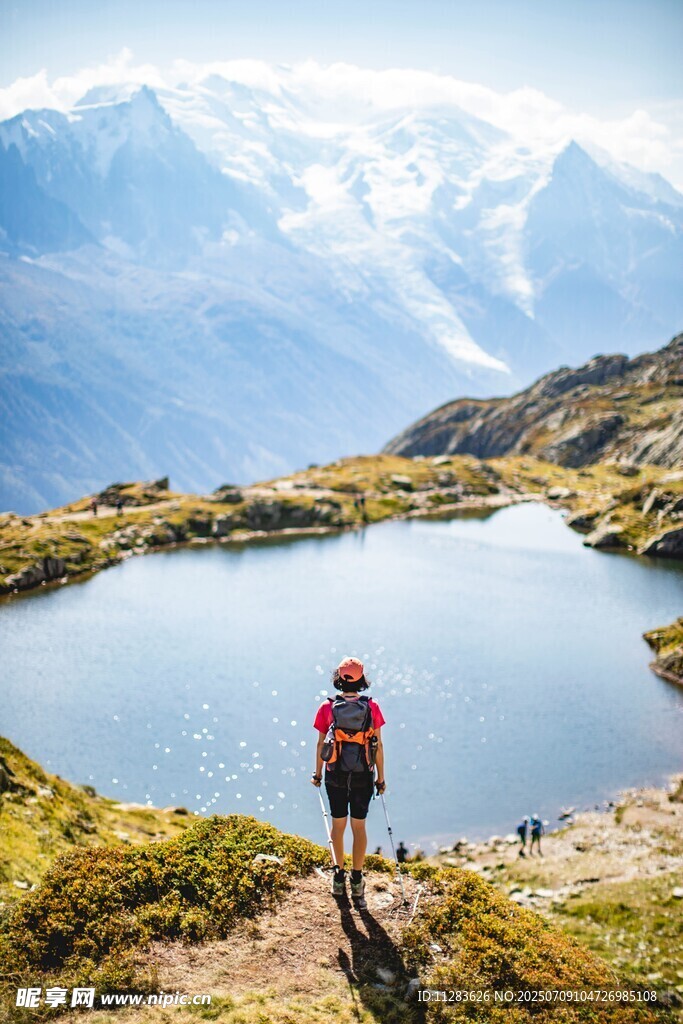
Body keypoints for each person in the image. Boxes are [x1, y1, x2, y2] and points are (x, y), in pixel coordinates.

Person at [312, 656, 385, 899]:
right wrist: (381, 778)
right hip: (363, 774)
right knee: (359, 827)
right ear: (362, 679)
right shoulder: (372, 706)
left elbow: (322, 743)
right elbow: (378, 745)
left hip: (336, 774)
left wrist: (318, 773)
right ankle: (356, 878)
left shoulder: (327, 707)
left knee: (338, 826)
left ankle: (338, 876)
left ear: (338, 678)